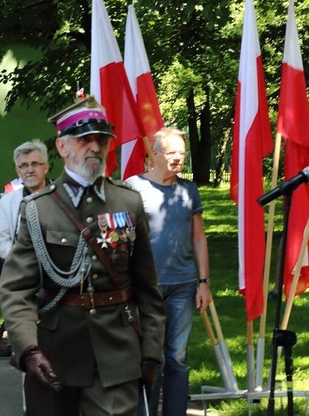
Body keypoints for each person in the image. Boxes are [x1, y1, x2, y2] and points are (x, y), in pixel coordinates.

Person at [0, 96, 165, 416]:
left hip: (117, 350)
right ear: (62, 147)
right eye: (84, 139)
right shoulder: (39, 208)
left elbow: (148, 288)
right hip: (55, 354)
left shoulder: (127, 202)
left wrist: (151, 353)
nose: (95, 147)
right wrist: (28, 349)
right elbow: (16, 289)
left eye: (101, 140)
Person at [124, 128, 211, 416]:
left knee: (177, 357)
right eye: (172, 153)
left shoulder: (189, 190)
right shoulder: (133, 187)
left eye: (182, 154)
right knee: (150, 357)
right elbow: (120, 238)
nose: (178, 159)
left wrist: (204, 282)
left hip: (183, 286)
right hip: (146, 288)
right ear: (155, 154)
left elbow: (198, 238)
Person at [0, 140, 50, 290]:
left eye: (35, 164)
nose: (29, 170)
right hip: (22, 276)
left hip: (59, 274)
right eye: (23, 166)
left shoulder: (63, 196)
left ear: (46, 167)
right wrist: (23, 258)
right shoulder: (7, 202)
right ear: (18, 171)